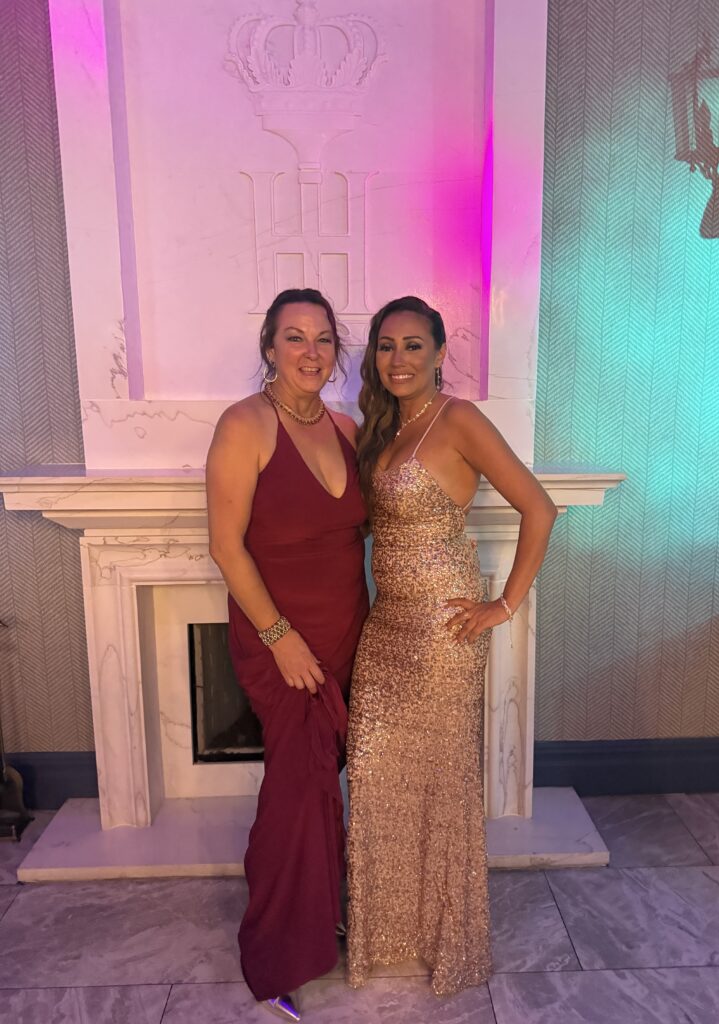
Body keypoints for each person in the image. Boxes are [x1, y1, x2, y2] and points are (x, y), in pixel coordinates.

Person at [345, 296, 557, 996]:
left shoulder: (458, 419)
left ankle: (446, 938)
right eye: (386, 346)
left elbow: (539, 507)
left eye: (413, 345)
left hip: (444, 632)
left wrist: (504, 604)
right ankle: (387, 934)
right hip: (386, 626)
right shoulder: (380, 428)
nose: (398, 359)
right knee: (377, 777)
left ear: (439, 354)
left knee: (440, 787)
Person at [206, 288, 369, 1021]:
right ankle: (274, 954)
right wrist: (280, 638)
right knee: (295, 794)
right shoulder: (244, 424)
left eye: (323, 337)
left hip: (346, 629)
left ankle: (317, 913)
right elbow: (225, 546)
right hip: (281, 639)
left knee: (322, 783)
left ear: (337, 350)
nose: (311, 351)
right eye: (294, 336)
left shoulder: (347, 428)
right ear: (269, 347)